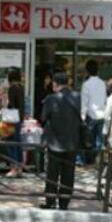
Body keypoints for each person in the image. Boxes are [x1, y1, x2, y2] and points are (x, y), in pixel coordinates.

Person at [40, 72, 83, 210]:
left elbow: (43, 117)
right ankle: (64, 203)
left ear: (55, 83)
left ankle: (50, 201)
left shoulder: (51, 98)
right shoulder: (77, 97)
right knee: (68, 173)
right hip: (72, 141)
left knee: (52, 173)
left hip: (55, 142)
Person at [80, 60, 107, 165]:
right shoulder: (102, 83)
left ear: (87, 71)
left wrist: (82, 117)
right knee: (99, 141)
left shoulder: (86, 84)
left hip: (90, 116)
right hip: (102, 115)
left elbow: (84, 102)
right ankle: (97, 162)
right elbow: (104, 99)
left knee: (89, 141)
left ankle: (90, 161)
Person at [5, 67, 25, 177]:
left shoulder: (12, 88)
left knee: (11, 143)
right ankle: (19, 168)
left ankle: (13, 168)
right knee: (18, 143)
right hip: (19, 118)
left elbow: (11, 104)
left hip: (12, 118)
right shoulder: (20, 87)